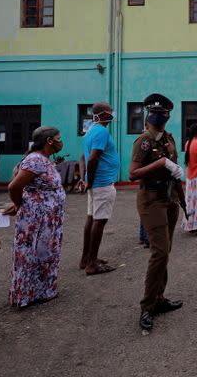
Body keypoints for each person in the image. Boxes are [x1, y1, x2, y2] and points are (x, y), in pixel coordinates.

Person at [129, 93, 186, 333]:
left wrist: (182, 200)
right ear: (148, 115)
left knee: (165, 251)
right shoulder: (143, 140)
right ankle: (147, 305)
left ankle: (159, 298)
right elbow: (133, 174)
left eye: (163, 113)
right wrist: (161, 164)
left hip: (169, 198)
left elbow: (174, 171)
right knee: (159, 251)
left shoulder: (169, 138)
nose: (160, 117)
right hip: (151, 199)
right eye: (155, 113)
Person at [8, 126, 67, 308]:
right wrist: (19, 204)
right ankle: (26, 294)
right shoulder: (35, 160)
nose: (60, 141)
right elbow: (13, 187)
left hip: (47, 219)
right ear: (49, 141)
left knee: (45, 253)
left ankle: (41, 291)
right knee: (32, 253)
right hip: (37, 219)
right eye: (58, 138)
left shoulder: (44, 159)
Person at [77, 102, 119, 275]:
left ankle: (85, 258)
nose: (112, 115)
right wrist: (91, 180)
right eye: (109, 112)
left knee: (91, 219)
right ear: (100, 115)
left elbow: (82, 157)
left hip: (95, 184)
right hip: (102, 184)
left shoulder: (90, 132)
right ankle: (92, 264)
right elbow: (92, 159)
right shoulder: (101, 131)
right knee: (99, 222)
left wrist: (84, 179)